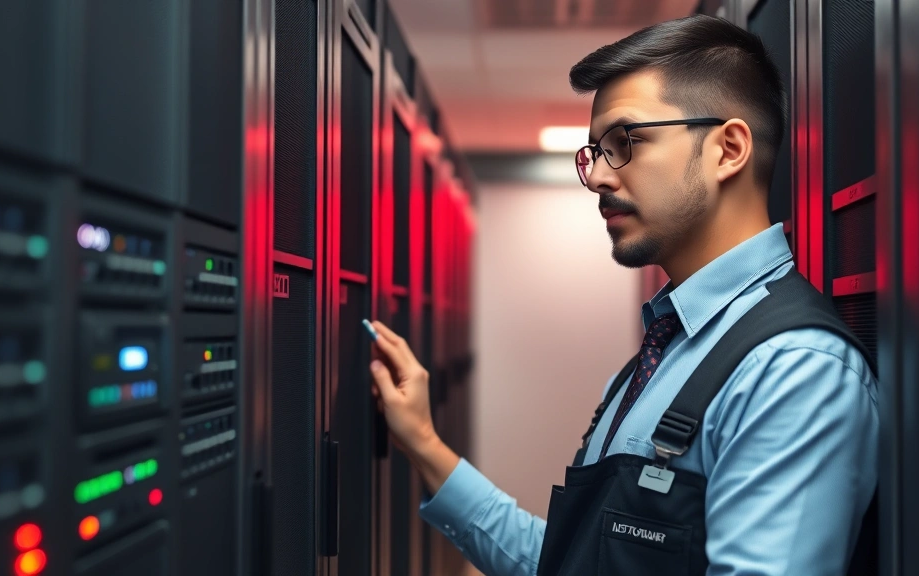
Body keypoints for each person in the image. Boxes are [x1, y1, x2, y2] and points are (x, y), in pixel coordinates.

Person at [367, 14, 878, 576]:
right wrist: (422, 440)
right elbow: (572, 562)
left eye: (623, 142)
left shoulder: (792, 370)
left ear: (728, 149)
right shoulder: (667, 349)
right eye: (594, 153)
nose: (601, 178)